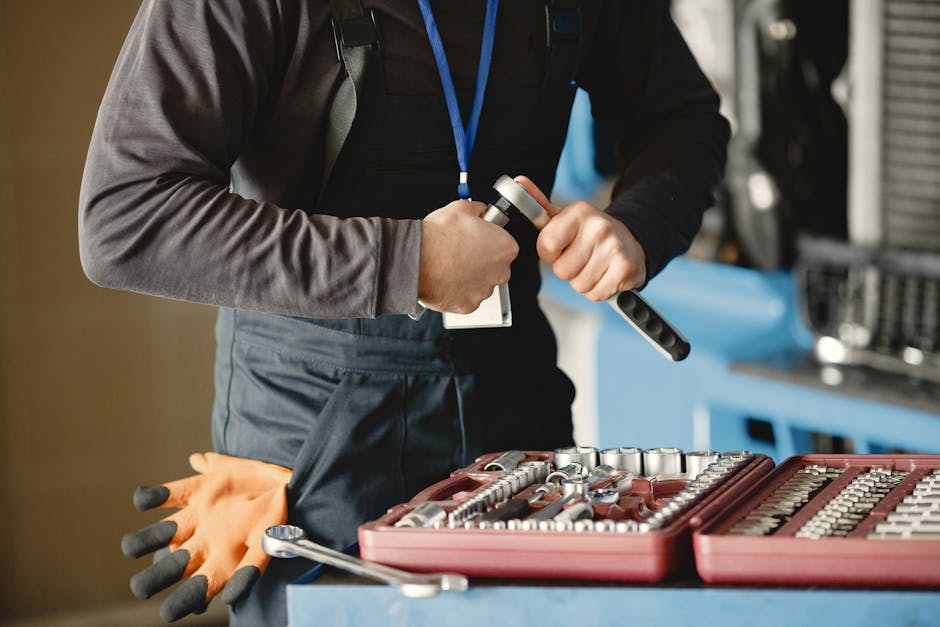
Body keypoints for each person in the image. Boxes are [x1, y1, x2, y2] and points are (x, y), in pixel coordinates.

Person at [79, 0, 729, 624]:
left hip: (512, 399)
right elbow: (128, 215)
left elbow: (681, 116)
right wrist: (404, 262)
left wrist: (639, 224)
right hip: (311, 429)